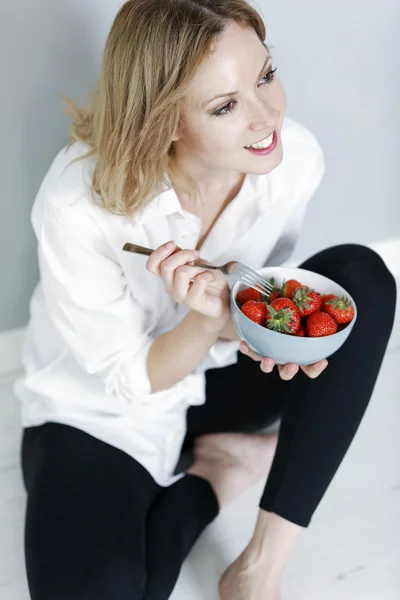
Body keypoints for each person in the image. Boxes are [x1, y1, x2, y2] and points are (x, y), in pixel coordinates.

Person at [14, 1, 397, 599]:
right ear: (166, 122)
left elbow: (257, 297)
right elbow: (131, 380)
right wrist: (203, 318)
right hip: (101, 413)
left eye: (266, 76)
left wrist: (246, 324)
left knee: (363, 279)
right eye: (226, 106)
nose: (268, 114)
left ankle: (258, 569)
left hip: (217, 384)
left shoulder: (293, 161)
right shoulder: (77, 207)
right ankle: (218, 474)